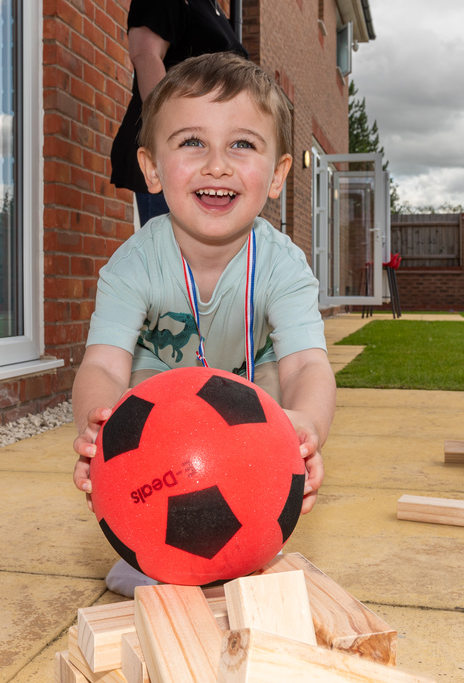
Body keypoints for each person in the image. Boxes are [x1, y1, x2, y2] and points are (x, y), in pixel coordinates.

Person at [73, 53, 336, 595]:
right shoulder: (133, 263)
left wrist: (305, 424)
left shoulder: (285, 266)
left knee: (275, 395)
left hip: (247, 397)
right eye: (192, 142)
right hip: (162, 399)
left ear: (279, 174)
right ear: (150, 169)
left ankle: (251, 524)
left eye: (242, 144)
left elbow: (308, 362)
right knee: (132, 402)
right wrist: (96, 428)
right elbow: (101, 363)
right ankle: (150, 539)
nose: (217, 164)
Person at [111, 0, 247, 225]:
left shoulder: (213, 9)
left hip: (211, 156)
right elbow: (145, 54)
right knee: (173, 256)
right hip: (180, 158)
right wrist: (174, 138)